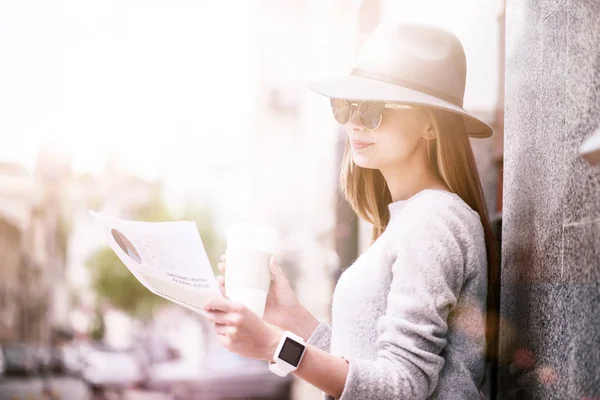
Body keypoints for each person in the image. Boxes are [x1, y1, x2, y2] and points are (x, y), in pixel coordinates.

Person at [203, 21, 499, 400]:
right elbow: (363, 363)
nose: (354, 122)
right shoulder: (407, 221)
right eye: (347, 106)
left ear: (429, 125)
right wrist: (290, 318)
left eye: (374, 109)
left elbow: (403, 387)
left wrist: (275, 345)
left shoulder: (435, 219)